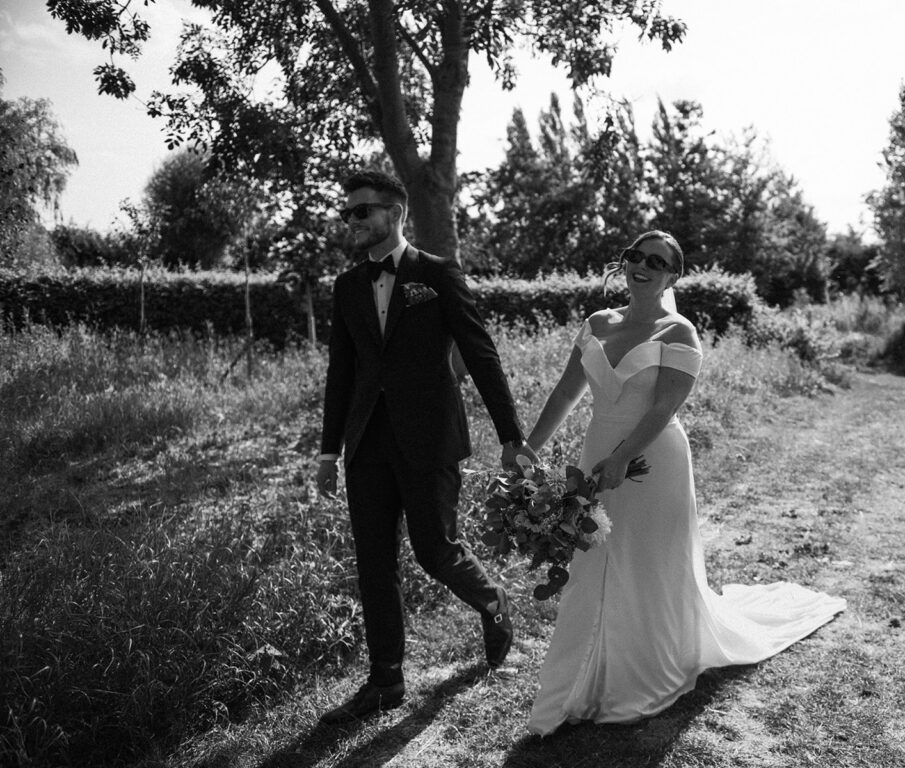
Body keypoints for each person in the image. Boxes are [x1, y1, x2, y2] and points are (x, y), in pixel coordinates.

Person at [521, 230, 846, 736]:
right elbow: (566, 392)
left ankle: (644, 671)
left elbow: (663, 407)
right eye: (636, 256)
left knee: (648, 559)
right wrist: (531, 446)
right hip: (594, 452)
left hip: (652, 457)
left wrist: (622, 458)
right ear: (624, 263)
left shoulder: (679, 332)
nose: (642, 266)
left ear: (672, 276)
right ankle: (580, 677)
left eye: (657, 262)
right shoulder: (595, 324)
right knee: (594, 557)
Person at [315, 169, 536, 723]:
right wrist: (327, 451)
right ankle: (386, 682)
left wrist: (511, 435)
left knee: (435, 551)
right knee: (373, 564)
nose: (352, 221)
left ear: (395, 213)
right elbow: (341, 372)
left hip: (429, 437)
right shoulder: (346, 287)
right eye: (348, 213)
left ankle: (493, 600)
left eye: (361, 211)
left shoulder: (437, 275)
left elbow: (480, 354)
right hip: (366, 442)